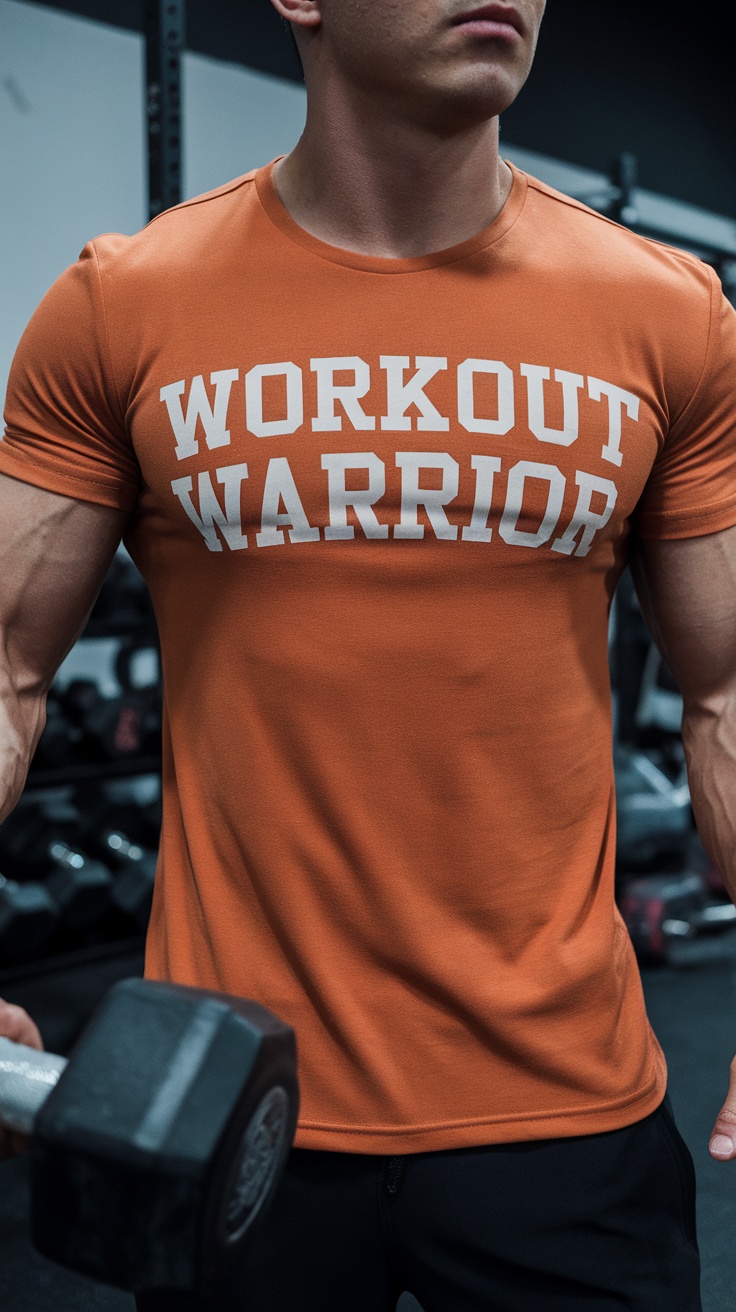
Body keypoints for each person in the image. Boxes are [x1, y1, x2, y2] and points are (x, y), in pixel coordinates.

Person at [0, 0, 735, 1307]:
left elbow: (728, 688)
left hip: (565, 1114)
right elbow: (7, 673)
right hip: (228, 1107)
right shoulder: (125, 304)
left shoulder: (668, 315)